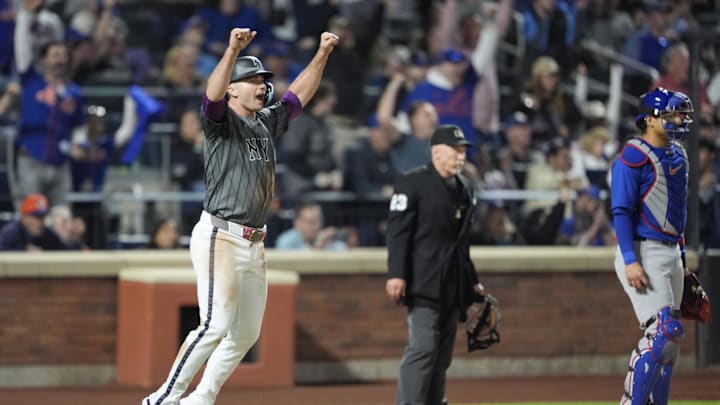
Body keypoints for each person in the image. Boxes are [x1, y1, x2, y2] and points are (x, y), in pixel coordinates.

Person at [142, 27, 338, 405]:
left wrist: (322, 53)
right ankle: (162, 399)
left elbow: (298, 98)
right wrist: (232, 50)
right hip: (222, 234)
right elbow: (211, 95)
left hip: (254, 240)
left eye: (264, 81)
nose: (261, 86)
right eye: (251, 81)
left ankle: (201, 398)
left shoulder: (264, 121)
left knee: (245, 333)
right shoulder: (220, 122)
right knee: (214, 325)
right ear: (233, 88)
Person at [385, 124, 484, 405]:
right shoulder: (411, 182)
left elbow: (461, 244)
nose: (460, 156)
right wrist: (396, 274)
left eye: (463, 150)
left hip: (453, 284)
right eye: (455, 150)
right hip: (422, 280)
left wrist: (471, 279)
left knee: (441, 356)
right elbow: (397, 232)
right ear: (436, 153)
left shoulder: (465, 188)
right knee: (422, 349)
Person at [610, 88, 694, 405]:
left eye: (681, 114)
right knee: (662, 333)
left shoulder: (678, 154)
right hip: (643, 250)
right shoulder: (634, 157)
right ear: (649, 120)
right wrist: (631, 260)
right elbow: (620, 211)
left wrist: (682, 258)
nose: (679, 119)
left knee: (669, 345)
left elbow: (677, 213)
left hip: (670, 251)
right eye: (672, 114)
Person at [274, 199, 348, 251]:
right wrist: (316, 248)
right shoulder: (286, 241)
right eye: (311, 222)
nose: (315, 226)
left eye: (318, 221)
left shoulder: (326, 237)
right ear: (297, 223)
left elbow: (342, 249)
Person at [0, 193, 65, 251]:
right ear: (24, 216)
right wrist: (23, 251)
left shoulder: (49, 234)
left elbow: (64, 250)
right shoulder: (11, 232)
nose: (41, 222)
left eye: (43, 217)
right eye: (37, 217)